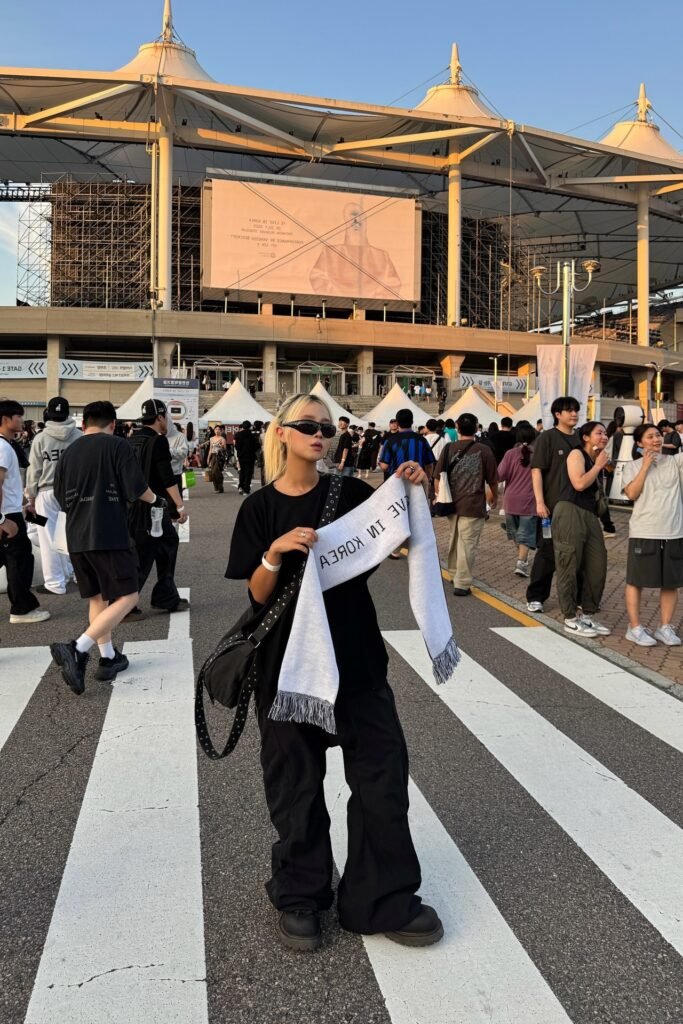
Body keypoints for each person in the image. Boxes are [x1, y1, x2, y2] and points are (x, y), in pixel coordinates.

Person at [225, 392, 443, 952]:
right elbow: (255, 593)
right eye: (306, 425)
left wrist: (414, 486)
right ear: (281, 434)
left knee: (381, 778)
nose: (319, 434)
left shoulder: (350, 493)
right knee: (295, 784)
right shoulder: (258, 509)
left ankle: (381, 898)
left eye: (326, 427)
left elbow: (399, 545)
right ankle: (301, 893)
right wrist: (274, 553)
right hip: (286, 670)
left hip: (357, 659)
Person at [51, 401, 157, 692]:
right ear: (113, 424)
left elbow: (60, 496)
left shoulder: (69, 452)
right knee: (128, 595)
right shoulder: (117, 446)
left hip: (76, 535)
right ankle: (78, 648)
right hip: (108, 532)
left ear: (84, 424)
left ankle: (109, 658)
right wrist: (157, 500)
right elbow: (137, 489)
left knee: (97, 597)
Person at [622, 423, 683, 647]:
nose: (656, 439)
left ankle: (665, 627)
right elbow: (631, 494)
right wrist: (645, 466)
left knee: (671, 582)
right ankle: (635, 627)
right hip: (644, 530)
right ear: (639, 443)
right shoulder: (632, 466)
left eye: (658, 435)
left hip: (674, 531)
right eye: (650, 437)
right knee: (636, 580)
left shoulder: (675, 462)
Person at [127, 398, 189, 617]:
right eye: (166, 417)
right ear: (160, 417)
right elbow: (167, 478)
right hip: (152, 507)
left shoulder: (133, 440)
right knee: (144, 556)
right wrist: (179, 506)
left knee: (166, 543)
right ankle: (123, 605)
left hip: (134, 507)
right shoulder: (158, 441)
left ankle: (166, 596)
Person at [551, 421, 611, 638]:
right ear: (585, 437)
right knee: (568, 563)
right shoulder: (576, 455)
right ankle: (569, 617)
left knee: (598, 564)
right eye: (599, 433)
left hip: (590, 515)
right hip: (569, 511)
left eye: (605, 433)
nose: (604, 437)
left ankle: (588, 614)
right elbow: (578, 483)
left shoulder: (598, 459)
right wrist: (597, 466)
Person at [525, 396, 581, 614]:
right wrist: (540, 502)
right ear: (558, 414)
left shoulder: (580, 438)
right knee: (547, 553)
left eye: (576, 410)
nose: (574, 414)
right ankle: (536, 596)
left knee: (578, 554)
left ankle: (575, 597)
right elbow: (536, 470)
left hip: (578, 507)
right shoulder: (547, 438)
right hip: (552, 507)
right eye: (569, 411)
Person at [434, 412, 498, 596]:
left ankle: (454, 573)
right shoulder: (484, 450)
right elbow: (492, 479)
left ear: (457, 427)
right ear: (477, 428)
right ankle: (462, 582)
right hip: (473, 503)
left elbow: (437, 478)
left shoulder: (448, 448)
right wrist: (494, 499)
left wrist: (440, 495)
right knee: (467, 543)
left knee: (454, 539)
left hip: (451, 503)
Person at [0, 400, 50, 625]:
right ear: (5, 420)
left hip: (12, 512)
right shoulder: (2, 447)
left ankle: (22, 607)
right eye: (18, 416)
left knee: (15, 559)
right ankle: (22, 609)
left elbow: (8, 484)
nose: (22, 419)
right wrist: (2, 520)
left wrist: (24, 504)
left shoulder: (7, 445)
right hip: (7, 517)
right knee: (20, 560)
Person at [25, 396, 81, 596]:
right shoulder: (79, 436)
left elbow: (34, 471)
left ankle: (55, 583)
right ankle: (78, 574)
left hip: (47, 492)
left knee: (48, 536)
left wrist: (30, 497)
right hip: (74, 492)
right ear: (67, 414)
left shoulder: (41, 438)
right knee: (73, 534)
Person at [497, 423, 537, 578]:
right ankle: (522, 562)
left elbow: (499, 475)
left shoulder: (510, 454)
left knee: (516, 534)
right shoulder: (539, 454)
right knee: (525, 534)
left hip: (511, 500)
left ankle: (522, 559)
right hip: (530, 500)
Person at [235, 420, 259, 494]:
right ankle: (246, 488)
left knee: (242, 471)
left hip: (241, 456)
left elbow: (237, 446)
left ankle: (241, 486)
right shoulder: (253, 436)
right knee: (248, 473)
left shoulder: (238, 435)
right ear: (249, 426)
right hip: (250, 457)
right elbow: (256, 446)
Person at [207, 426, 227, 492]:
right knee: (213, 472)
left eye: (219, 429)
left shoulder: (222, 439)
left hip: (219, 456)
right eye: (216, 429)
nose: (217, 430)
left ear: (221, 431)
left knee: (216, 471)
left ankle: (220, 487)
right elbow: (210, 449)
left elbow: (224, 449)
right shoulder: (211, 438)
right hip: (213, 456)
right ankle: (216, 487)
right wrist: (208, 458)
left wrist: (222, 446)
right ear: (214, 430)